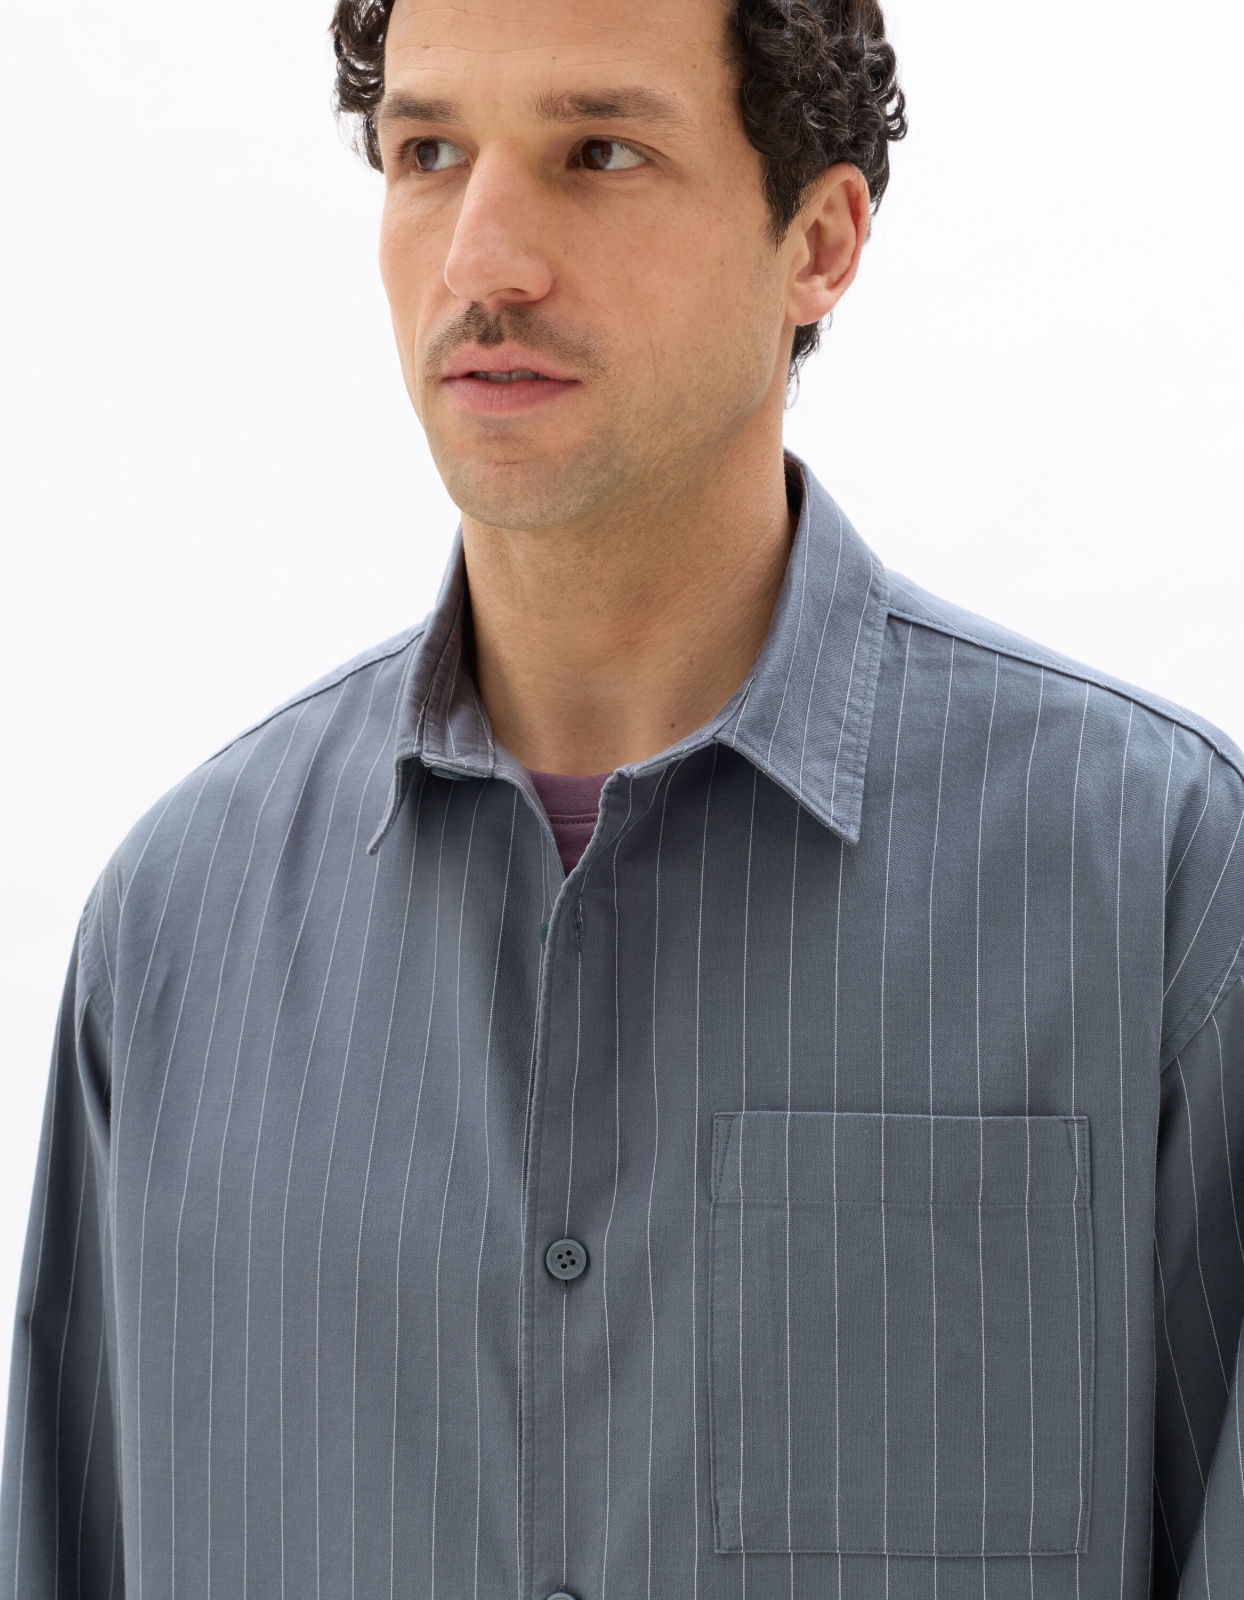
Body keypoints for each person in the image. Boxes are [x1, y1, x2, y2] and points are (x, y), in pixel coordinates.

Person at [1, 0, 1240, 1595]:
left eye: (599, 152)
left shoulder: (1158, 886)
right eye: (428, 153)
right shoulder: (176, 927)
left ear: (818, 242)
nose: (485, 259)